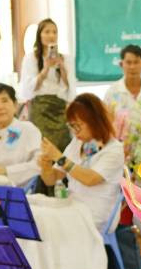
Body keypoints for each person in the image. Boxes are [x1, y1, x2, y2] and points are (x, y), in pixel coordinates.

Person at [38, 93, 127, 235]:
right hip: (73, 206)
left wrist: (59, 158)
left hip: (96, 214)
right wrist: (46, 166)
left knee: (47, 224)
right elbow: (51, 180)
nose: (75, 131)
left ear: (95, 121)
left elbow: (90, 179)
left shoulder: (114, 149)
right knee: (38, 215)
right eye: (71, 126)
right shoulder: (77, 142)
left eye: (78, 126)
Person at [18, 17, 75, 151]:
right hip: (40, 107)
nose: (51, 35)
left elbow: (69, 86)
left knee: (62, 144)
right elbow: (30, 87)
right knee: (41, 144)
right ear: (39, 35)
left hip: (59, 107)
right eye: (47, 32)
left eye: (54, 32)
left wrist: (62, 67)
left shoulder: (66, 58)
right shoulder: (31, 58)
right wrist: (45, 68)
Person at [0, 83, 42, 184]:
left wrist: (6, 170)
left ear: (15, 105)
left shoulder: (28, 130)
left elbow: (39, 164)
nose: (0, 107)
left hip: (16, 188)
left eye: (4, 100)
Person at [103, 44, 141, 127]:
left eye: (136, 62)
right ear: (121, 64)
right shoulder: (112, 92)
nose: (132, 67)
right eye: (128, 62)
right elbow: (105, 122)